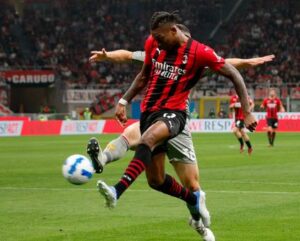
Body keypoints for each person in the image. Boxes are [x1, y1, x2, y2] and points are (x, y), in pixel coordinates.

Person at [91, 11, 257, 240]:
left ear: (174, 32)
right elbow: (134, 64)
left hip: (176, 118)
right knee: (155, 180)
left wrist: (247, 99)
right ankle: (101, 160)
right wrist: (121, 96)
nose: (156, 42)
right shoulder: (155, 45)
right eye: (155, 39)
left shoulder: (199, 54)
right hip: (150, 114)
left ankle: (119, 190)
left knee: (189, 180)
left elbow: (229, 67)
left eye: (160, 38)